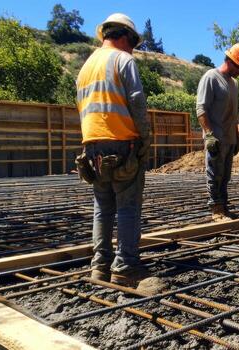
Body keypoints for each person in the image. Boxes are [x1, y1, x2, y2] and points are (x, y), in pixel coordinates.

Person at [75, 13, 151, 287]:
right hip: (122, 144)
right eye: (132, 43)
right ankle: (126, 266)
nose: (133, 49)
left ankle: (100, 266)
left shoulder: (85, 67)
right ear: (125, 37)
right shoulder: (123, 59)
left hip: (92, 147)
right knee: (128, 207)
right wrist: (145, 138)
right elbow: (137, 102)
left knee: (103, 207)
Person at [196, 43, 239, 221]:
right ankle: (216, 209)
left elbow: (233, 114)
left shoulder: (234, 84)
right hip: (216, 138)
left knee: (225, 176)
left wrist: (237, 136)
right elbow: (201, 109)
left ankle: (224, 207)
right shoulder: (211, 77)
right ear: (230, 61)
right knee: (214, 174)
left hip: (229, 138)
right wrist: (209, 135)